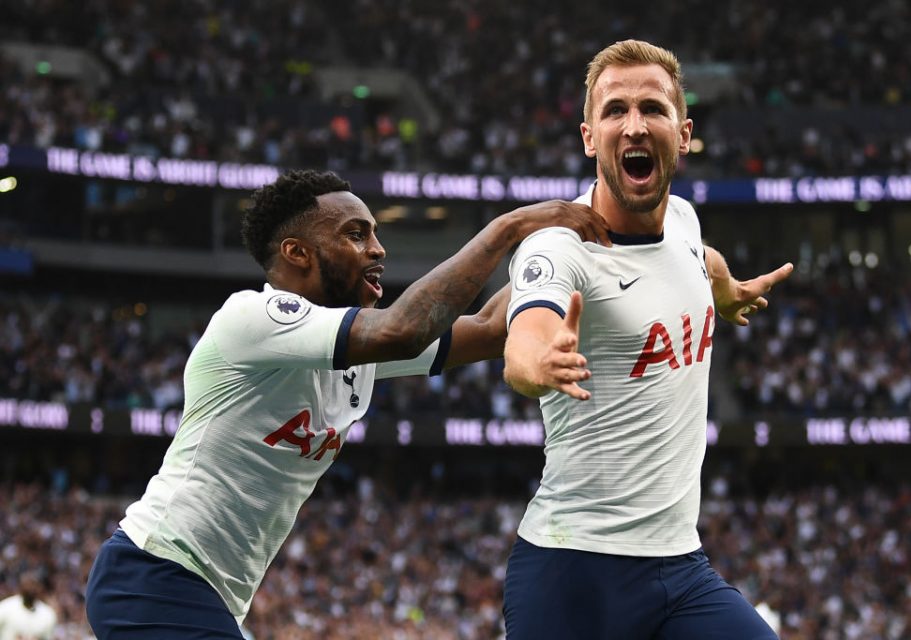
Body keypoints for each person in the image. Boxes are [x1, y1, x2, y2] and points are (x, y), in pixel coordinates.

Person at [84, 169, 611, 639]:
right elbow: (404, 329)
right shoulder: (253, 318)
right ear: (297, 253)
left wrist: (562, 242)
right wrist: (509, 227)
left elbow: (493, 328)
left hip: (208, 594)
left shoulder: (355, 348)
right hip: (153, 573)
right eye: (356, 235)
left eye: (375, 234)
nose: (378, 249)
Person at [501, 40, 793, 639]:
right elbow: (524, 344)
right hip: (574, 571)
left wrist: (724, 290)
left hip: (680, 568)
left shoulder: (684, 218)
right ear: (589, 137)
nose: (634, 125)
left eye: (652, 109)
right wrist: (540, 362)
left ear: (682, 134)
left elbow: (694, 257)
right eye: (615, 111)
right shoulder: (558, 247)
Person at [0, 572, 57, 640]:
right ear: (20, 587)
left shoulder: (48, 614)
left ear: (40, 588)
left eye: (34, 585)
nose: (31, 588)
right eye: (28, 584)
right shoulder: (5, 607)